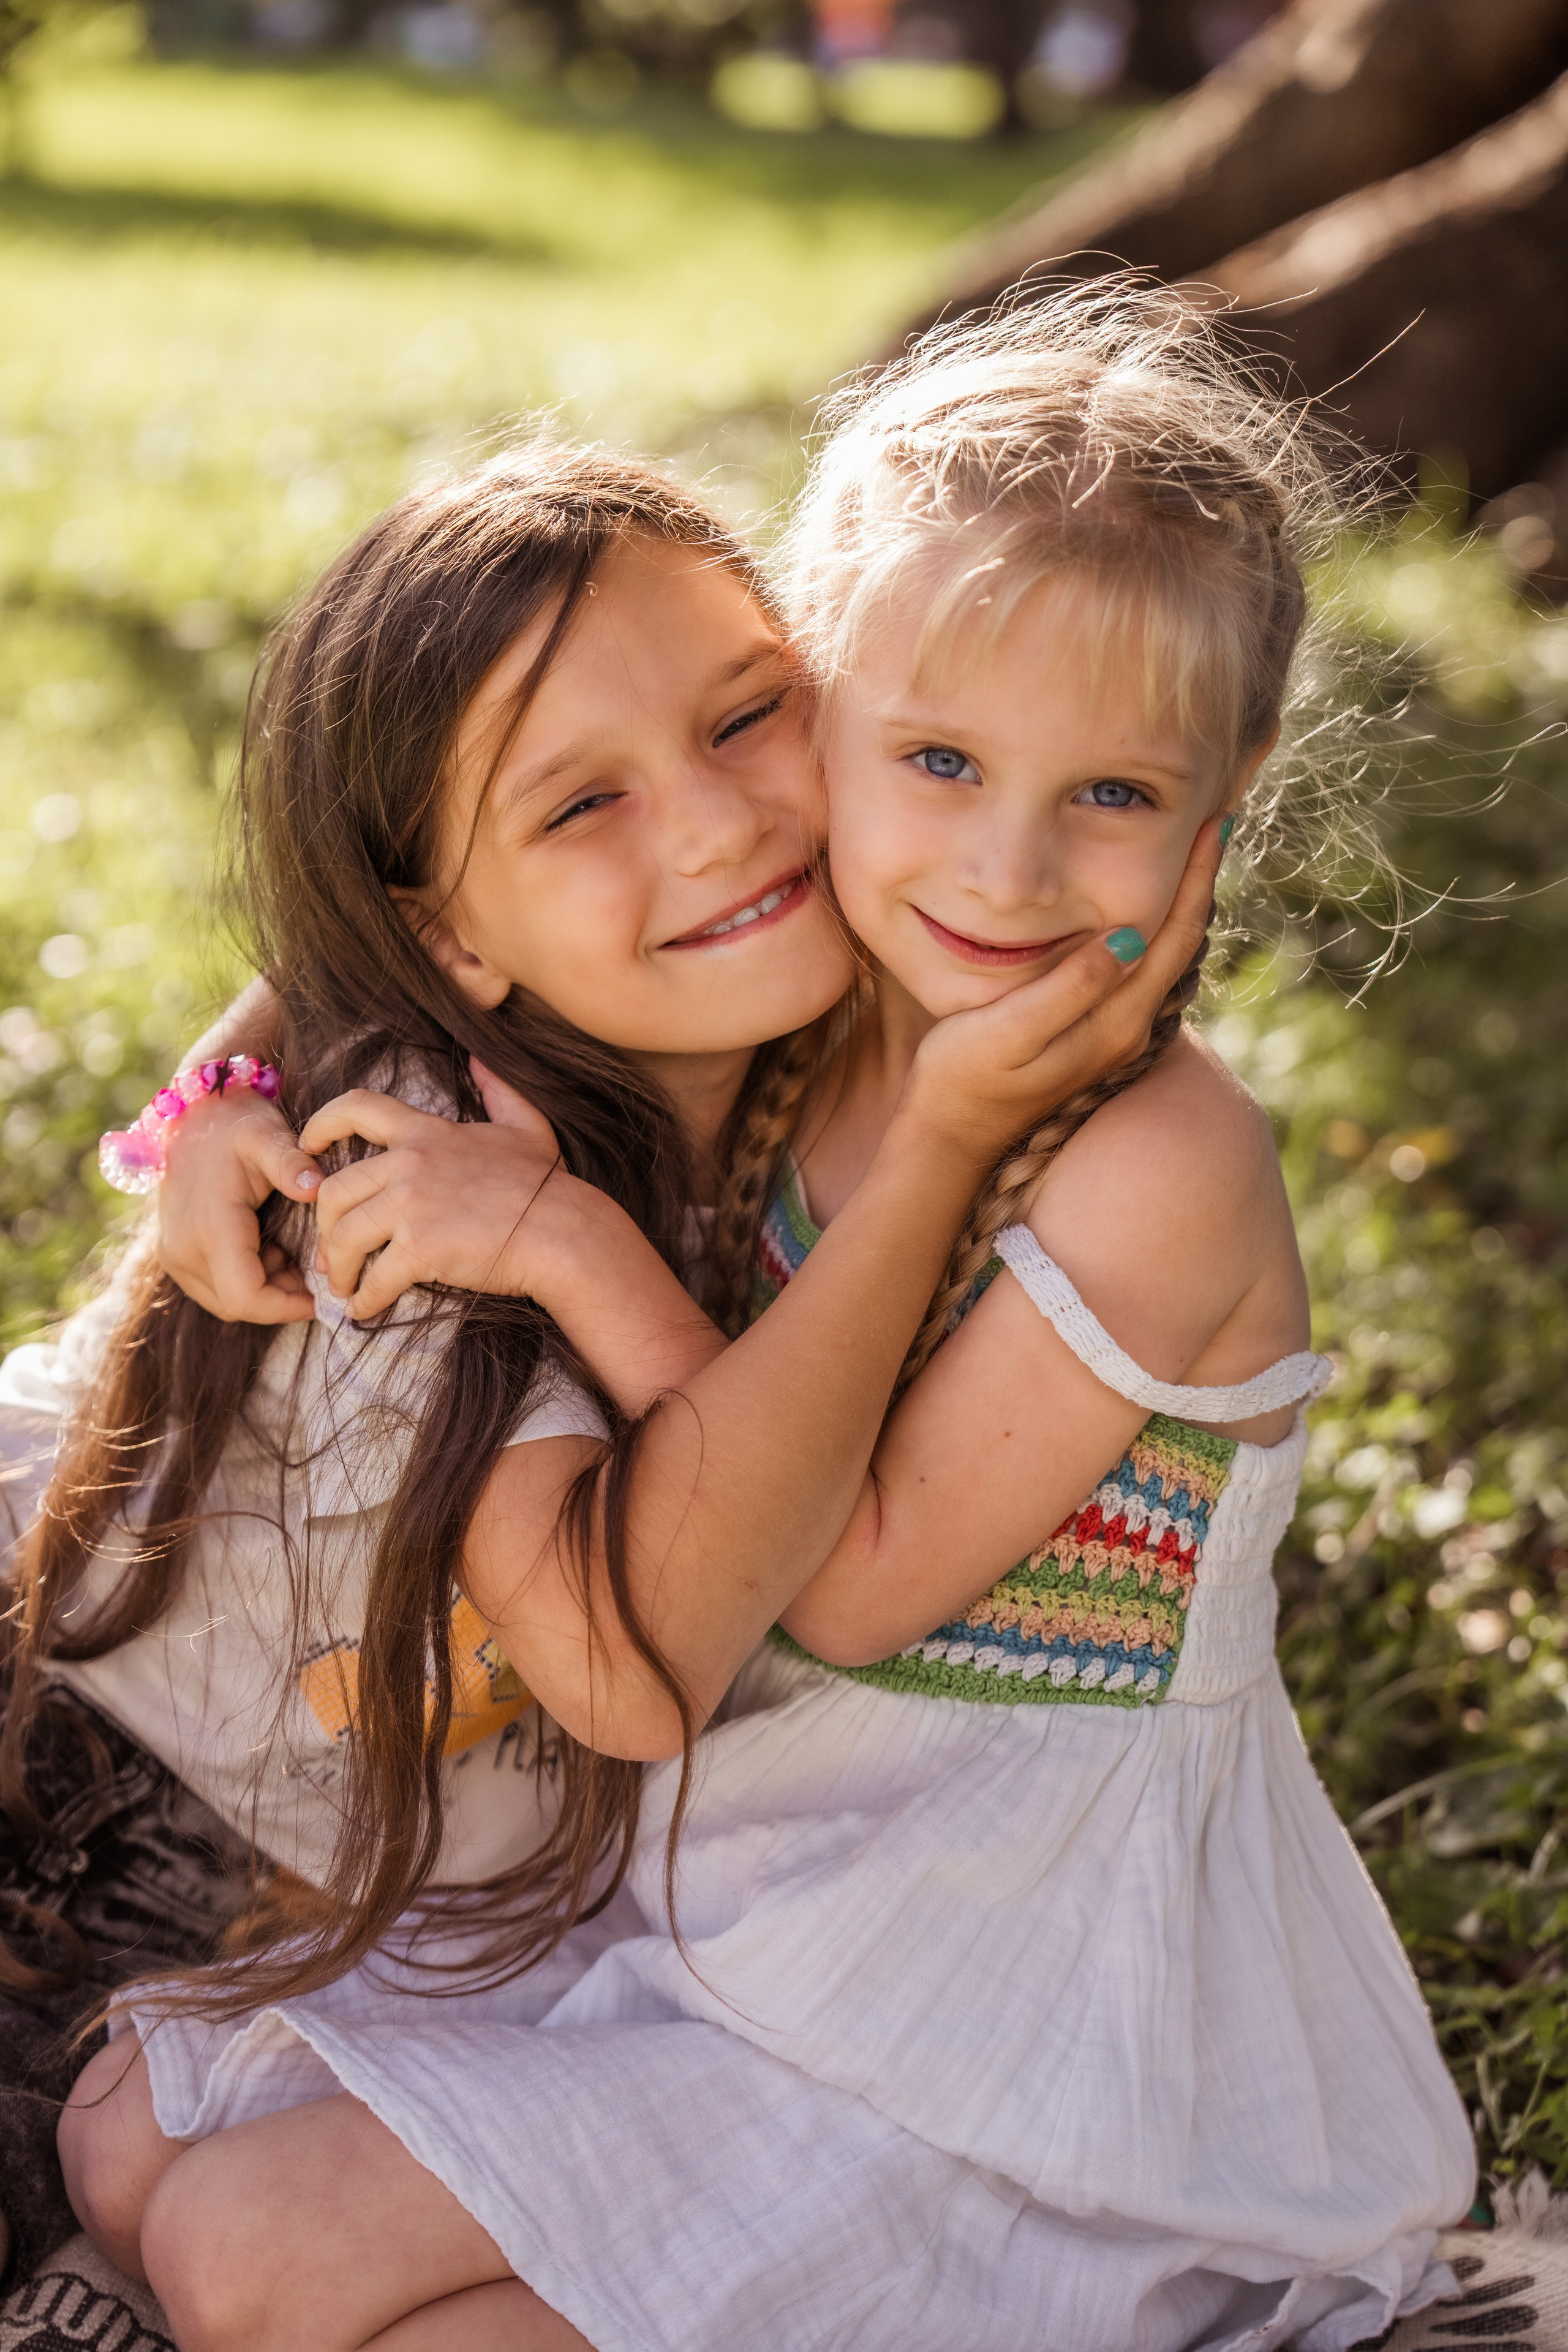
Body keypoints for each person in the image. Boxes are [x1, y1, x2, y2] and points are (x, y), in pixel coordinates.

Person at [62, 287, 1475, 2352]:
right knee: (129, 2137)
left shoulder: (1150, 1162)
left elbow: (857, 1584)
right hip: (744, 1876)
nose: (998, 865)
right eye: (932, 757)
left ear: (1227, 791)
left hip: (1005, 1968)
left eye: (1110, 796)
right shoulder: (826, 991)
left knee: (268, 2272)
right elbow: (456, 870)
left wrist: (570, 1243)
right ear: (820, 700)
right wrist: (222, 1095)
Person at [0, 439, 1190, 2286]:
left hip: (320, 1836)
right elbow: (632, 1670)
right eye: (586, 807)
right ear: (446, 939)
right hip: (103, 1811)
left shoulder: (802, 996)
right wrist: (284, 1115)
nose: (718, 824)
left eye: (750, 714)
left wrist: (226, 1071)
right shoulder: (430, 1200)